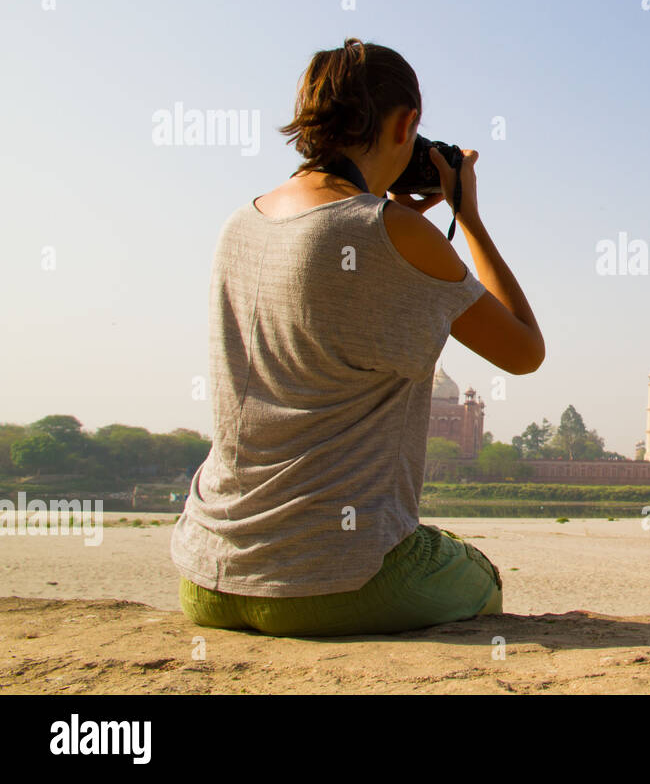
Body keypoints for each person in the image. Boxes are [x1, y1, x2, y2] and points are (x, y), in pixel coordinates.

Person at [170, 38, 544, 637]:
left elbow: (341, 264)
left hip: (209, 576)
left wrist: (394, 221)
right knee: (479, 575)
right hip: (343, 582)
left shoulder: (239, 222)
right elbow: (525, 350)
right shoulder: (394, 234)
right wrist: (467, 219)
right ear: (407, 125)